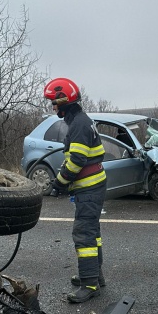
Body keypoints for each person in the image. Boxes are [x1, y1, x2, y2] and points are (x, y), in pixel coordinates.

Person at [44, 77, 107, 302]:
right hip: (92, 185)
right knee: (92, 232)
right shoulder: (81, 120)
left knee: (84, 233)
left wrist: (59, 183)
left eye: (54, 103)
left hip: (88, 188)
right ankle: (96, 275)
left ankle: (89, 284)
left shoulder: (78, 124)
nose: (53, 107)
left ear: (64, 101)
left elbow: (77, 161)